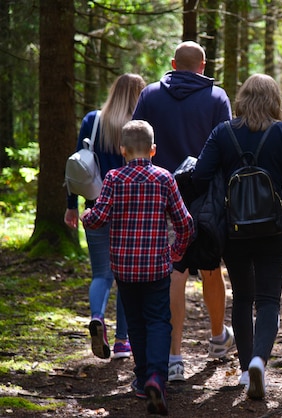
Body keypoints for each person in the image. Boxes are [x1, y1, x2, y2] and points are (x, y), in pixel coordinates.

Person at [192, 74, 282, 400]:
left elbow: (201, 174)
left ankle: (246, 371)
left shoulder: (223, 132)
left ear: (243, 98)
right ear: (275, 99)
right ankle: (261, 360)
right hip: (274, 227)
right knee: (269, 298)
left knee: (243, 297)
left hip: (234, 228)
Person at [132, 40, 233, 382]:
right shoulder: (218, 98)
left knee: (174, 271)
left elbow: (135, 143)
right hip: (205, 196)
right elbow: (228, 148)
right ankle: (218, 339)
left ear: (174, 64)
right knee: (209, 267)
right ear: (202, 66)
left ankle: (174, 357)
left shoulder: (149, 96)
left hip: (160, 193)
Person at [80, 120, 194, 415]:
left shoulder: (115, 178)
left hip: (125, 269)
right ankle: (157, 376)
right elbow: (185, 223)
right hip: (157, 266)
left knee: (136, 323)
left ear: (122, 150)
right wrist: (176, 251)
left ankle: (143, 379)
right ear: (153, 150)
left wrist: (86, 215)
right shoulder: (165, 178)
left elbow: (99, 217)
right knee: (158, 320)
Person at [64, 73, 146, 360]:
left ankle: (98, 317)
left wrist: (71, 204)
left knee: (101, 273)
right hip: (131, 210)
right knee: (126, 277)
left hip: (96, 205)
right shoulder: (139, 126)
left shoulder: (93, 120)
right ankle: (124, 341)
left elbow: (76, 165)